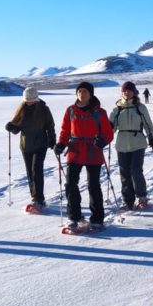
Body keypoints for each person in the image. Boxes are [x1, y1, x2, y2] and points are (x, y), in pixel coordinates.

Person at [54, 81, 115, 232]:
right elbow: (65, 130)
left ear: (91, 94)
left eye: (85, 92)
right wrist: (61, 144)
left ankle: (97, 219)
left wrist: (103, 141)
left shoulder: (99, 112)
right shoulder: (71, 111)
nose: (82, 94)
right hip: (75, 150)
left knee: (93, 185)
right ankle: (73, 217)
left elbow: (108, 133)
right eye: (79, 91)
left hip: (93, 150)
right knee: (70, 184)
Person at [5, 85, 56, 213]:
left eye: (31, 100)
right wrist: (11, 127)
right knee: (29, 173)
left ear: (36, 98)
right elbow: (17, 129)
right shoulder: (21, 109)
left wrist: (52, 140)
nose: (29, 103)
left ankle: (40, 199)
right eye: (27, 100)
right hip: (26, 146)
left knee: (36, 170)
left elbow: (50, 126)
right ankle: (34, 197)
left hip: (40, 145)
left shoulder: (44, 109)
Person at [110, 81, 153, 211]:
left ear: (134, 92)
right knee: (124, 173)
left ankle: (142, 198)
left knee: (136, 171)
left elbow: (148, 123)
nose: (126, 92)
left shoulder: (140, 107)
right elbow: (111, 127)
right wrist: (106, 133)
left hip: (138, 143)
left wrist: (151, 136)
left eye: (129, 90)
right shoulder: (117, 108)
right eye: (124, 90)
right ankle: (128, 201)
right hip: (122, 144)